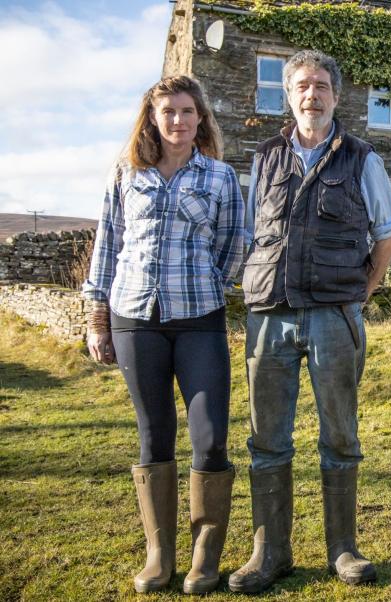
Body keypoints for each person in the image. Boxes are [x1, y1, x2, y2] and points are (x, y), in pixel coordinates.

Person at [230, 50, 391, 592]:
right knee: (267, 439)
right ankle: (270, 553)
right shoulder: (265, 156)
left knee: (340, 436)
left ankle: (343, 549)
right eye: (302, 85)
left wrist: (360, 293)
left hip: (334, 316)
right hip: (269, 316)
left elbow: (388, 234)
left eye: (322, 85)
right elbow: (254, 231)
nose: (312, 94)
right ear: (290, 94)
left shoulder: (362, 157)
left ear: (336, 95)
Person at [83, 75, 245, 594]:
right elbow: (106, 248)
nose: (177, 120)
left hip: (199, 320)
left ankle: (205, 555)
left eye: (186, 111)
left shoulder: (219, 177)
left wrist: (206, 283)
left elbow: (232, 245)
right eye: (167, 112)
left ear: (201, 119)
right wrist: (97, 319)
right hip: (135, 319)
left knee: (209, 435)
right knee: (154, 433)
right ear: (152, 118)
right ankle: (160, 554)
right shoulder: (126, 175)